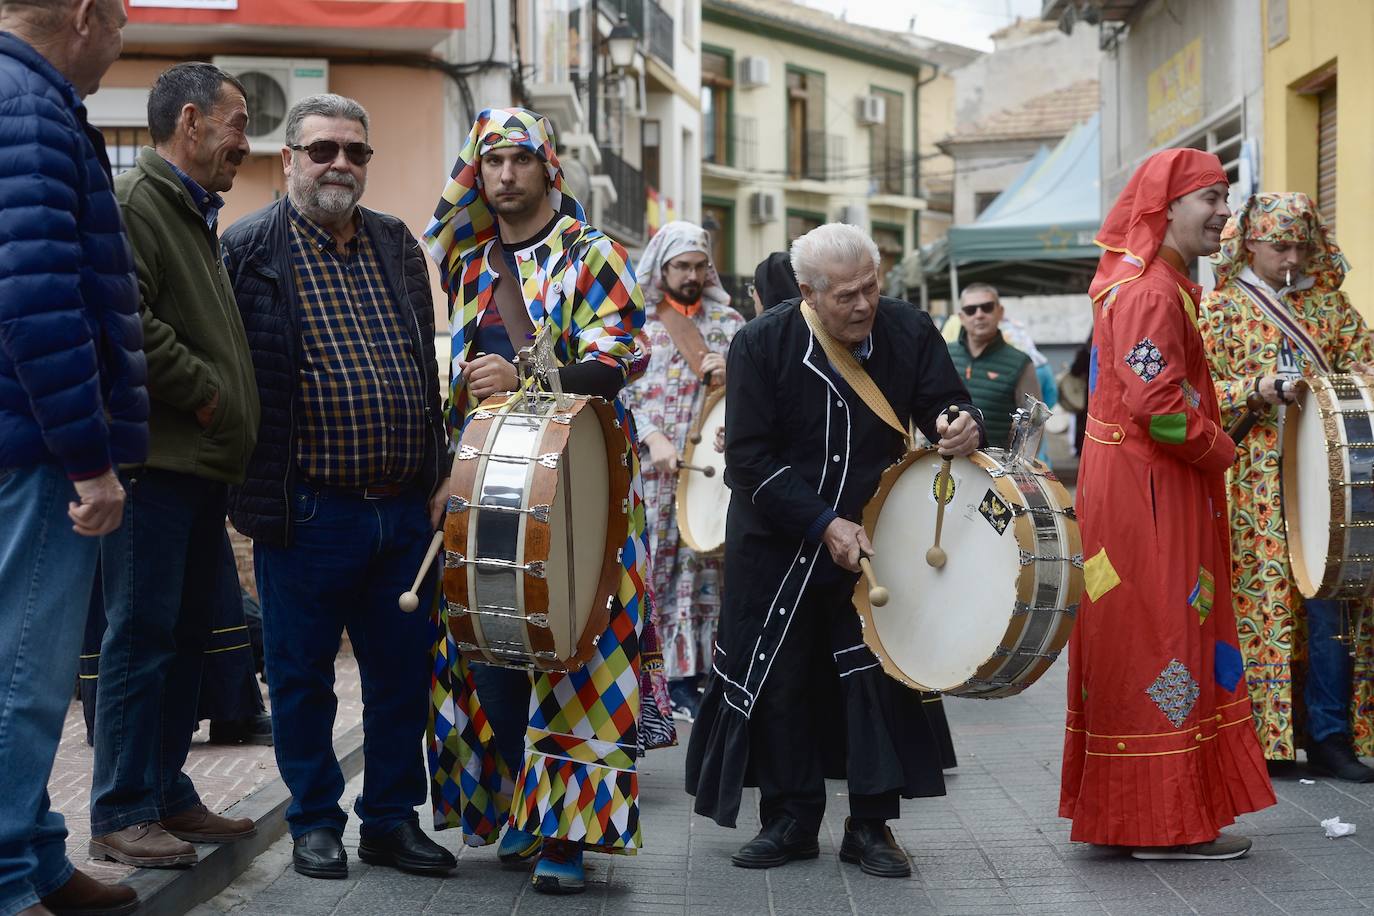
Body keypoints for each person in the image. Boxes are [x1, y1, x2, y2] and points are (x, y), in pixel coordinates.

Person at [686, 223, 983, 879]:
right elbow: (748, 462)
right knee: (783, 683)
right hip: (776, 544)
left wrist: (959, 424)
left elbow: (946, 403)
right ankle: (790, 821)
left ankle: (871, 827)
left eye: (870, 287)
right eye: (844, 294)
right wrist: (823, 523)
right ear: (807, 293)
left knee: (870, 680)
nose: (862, 304)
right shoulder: (760, 344)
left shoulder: (909, 330)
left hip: (873, 538)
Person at [222, 94, 453, 880]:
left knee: (402, 678)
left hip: (403, 510)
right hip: (308, 511)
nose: (340, 165)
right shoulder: (248, 249)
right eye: (322, 150)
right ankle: (315, 821)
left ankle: (389, 820)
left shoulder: (392, 242)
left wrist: (440, 469)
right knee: (300, 677)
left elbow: (423, 369)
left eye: (355, 152)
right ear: (287, 158)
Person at [424, 107, 648, 895]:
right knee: (489, 651)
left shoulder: (595, 254)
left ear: (547, 168)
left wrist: (524, 376)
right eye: (493, 163)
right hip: (487, 490)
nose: (507, 175)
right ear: (477, 175)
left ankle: (565, 836)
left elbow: (620, 359)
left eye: (521, 160)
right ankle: (523, 802)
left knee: (576, 659)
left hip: (586, 491)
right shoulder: (470, 268)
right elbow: (458, 385)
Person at [1059, 148, 1276, 860]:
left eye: (1224, 197)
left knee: (1137, 634)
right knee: (1164, 635)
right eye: (1209, 198)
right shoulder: (1152, 291)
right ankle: (1162, 822)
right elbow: (1157, 407)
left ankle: (1136, 814)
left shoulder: (1150, 283)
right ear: (1168, 207)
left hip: (1135, 488)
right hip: (1150, 494)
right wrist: (1223, 449)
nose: (1223, 213)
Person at [87, 60, 261, 869]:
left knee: (189, 635)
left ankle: (165, 794)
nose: (244, 141)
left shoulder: (192, 212)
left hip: (195, 466)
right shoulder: (136, 204)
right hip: (157, 461)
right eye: (237, 122)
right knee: (141, 636)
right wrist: (206, 394)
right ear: (189, 123)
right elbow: (128, 321)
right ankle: (122, 809)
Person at [0, 1, 146, 913]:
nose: (122, 37)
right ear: (87, 15)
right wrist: (89, 461)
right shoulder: (29, 109)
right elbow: (38, 299)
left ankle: (38, 857)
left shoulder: (26, 102)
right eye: (124, 18)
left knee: (29, 670)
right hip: (39, 449)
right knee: (24, 673)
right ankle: (10, 879)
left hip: (24, 436)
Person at [1200, 192, 1374, 781]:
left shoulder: (1331, 307)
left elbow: (1367, 367)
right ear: (1250, 243)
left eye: (1300, 245)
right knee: (1257, 605)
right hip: (1249, 486)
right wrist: (1255, 388)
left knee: (1327, 603)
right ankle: (1259, 739)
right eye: (1280, 246)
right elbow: (1194, 397)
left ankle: (1329, 736)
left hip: (1327, 482)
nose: (1292, 257)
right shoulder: (1219, 311)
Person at [623, 221, 744, 721]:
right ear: (662, 268)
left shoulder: (732, 324)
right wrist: (651, 436)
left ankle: (702, 674)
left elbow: (757, 396)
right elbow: (621, 393)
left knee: (705, 570)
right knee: (657, 570)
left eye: (699, 265)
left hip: (710, 473)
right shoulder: (637, 328)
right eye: (681, 266)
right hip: (652, 473)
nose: (691, 275)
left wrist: (732, 373)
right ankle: (662, 678)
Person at [947, 283, 1042, 450]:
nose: (979, 315)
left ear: (1000, 312)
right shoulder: (943, 354)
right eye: (971, 310)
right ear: (961, 317)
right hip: (941, 465)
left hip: (992, 470)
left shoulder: (1020, 363)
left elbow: (1034, 425)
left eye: (987, 307)